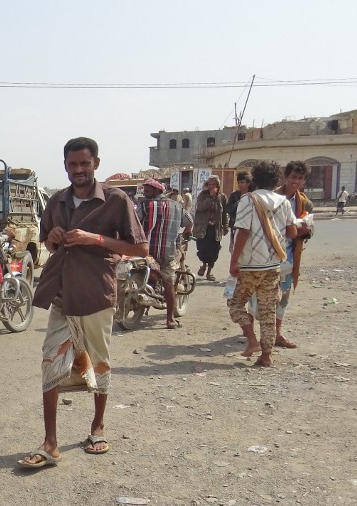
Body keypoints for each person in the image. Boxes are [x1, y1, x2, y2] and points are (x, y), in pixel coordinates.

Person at [19, 138, 148, 468]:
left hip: (95, 294)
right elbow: (48, 243)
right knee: (51, 362)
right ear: (65, 166)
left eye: (84, 163)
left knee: (100, 361)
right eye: (72, 164)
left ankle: (97, 427)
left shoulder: (116, 201)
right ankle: (50, 443)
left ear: (96, 164)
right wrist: (53, 239)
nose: (78, 169)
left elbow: (140, 248)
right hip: (62, 294)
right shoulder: (57, 201)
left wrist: (95, 239)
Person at [227, 160, 298, 367]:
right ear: (277, 180)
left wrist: (233, 261)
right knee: (268, 312)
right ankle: (266, 356)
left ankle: (251, 341)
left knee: (235, 304)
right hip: (273, 265)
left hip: (250, 265)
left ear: (255, 179)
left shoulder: (248, 200)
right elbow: (292, 232)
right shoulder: (284, 202)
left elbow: (243, 232)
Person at [136, 178, 192, 329]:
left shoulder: (144, 205)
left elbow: (134, 222)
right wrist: (188, 231)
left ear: (156, 190)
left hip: (146, 252)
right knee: (169, 282)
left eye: (147, 190)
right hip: (168, 252)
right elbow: (189, 221)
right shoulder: (176, 206)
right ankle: (170, 319)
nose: (144, 192)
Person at [272, 160, 315, 348]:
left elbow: (310, 228)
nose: (296, 181)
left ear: (304, 180)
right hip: (267, 255)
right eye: (293, 177)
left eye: (300, 178)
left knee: (284, 295)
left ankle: (276, 334)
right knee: (261, 297)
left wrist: (306, 230)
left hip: (290, 256)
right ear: (285, 177)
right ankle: (262, 330)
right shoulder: (271, 198)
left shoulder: (305, 203)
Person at [193, 175, 229, 281]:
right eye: (209, 184)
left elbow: (224, 213)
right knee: (202, 249)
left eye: (214, 184)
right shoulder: (202, 195)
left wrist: (226, 226)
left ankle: (209, 272)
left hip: (215, 229)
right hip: (203, 228)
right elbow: (200, 207)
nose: (211, 186)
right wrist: (210, 198)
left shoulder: (222, 197)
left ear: (217, 185)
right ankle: (204, 264)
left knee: (214, 251)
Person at [226, 171, 252, 252]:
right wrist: (239, 202)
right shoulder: (234, 195)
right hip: (235, 226)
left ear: (248, 183)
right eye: (239, 182)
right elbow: (228, 209)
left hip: (250, 227)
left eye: (242, 182)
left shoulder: (253, 195)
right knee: (234, 250)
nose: (240, 184)